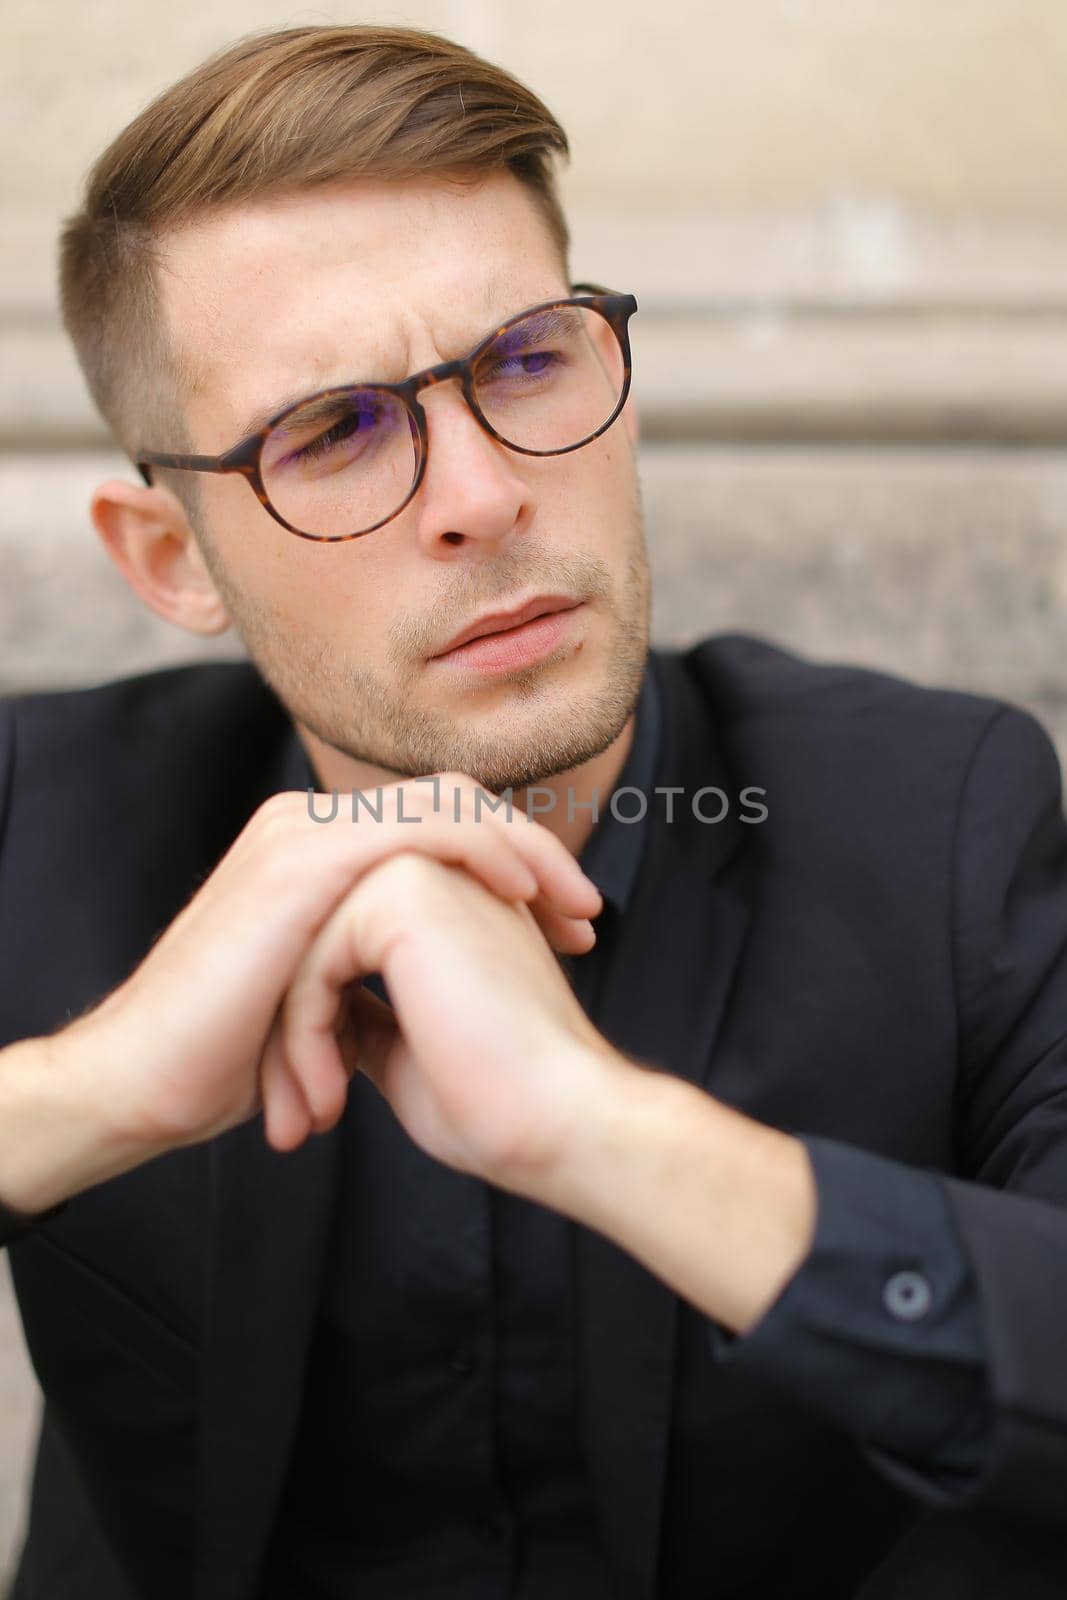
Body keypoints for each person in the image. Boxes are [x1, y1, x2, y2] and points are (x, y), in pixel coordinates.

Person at [2, 21, 1067, 1599]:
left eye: (523, 360)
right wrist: (97, 1091)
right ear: (170, 562)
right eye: (337, 431)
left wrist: (604, 1132)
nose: (483, 494)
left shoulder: (938, 815)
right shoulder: (44, 817)